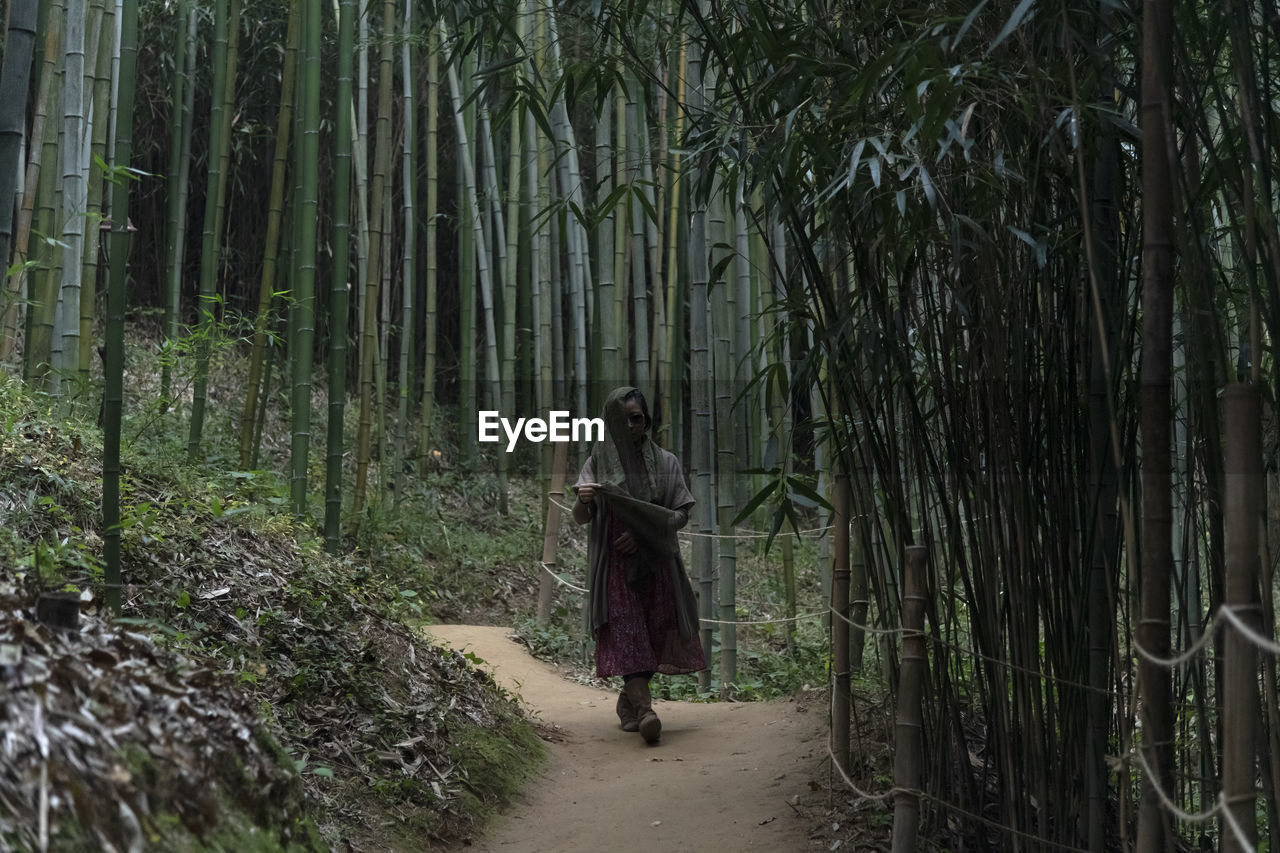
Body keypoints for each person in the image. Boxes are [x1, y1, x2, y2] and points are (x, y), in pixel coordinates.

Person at [572, 387, 705, 744]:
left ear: (646, 421)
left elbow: (680, 515)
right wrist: (584, 499)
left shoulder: (666, 462)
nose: (630, 424)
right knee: (628, 633)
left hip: (656, 563)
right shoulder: (597, 461)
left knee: (654, 634)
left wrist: (645, 534)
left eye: (637, 417)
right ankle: (646, 711)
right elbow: (582, 517)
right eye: (623, 417)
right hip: (614, 563)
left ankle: (628, 701)